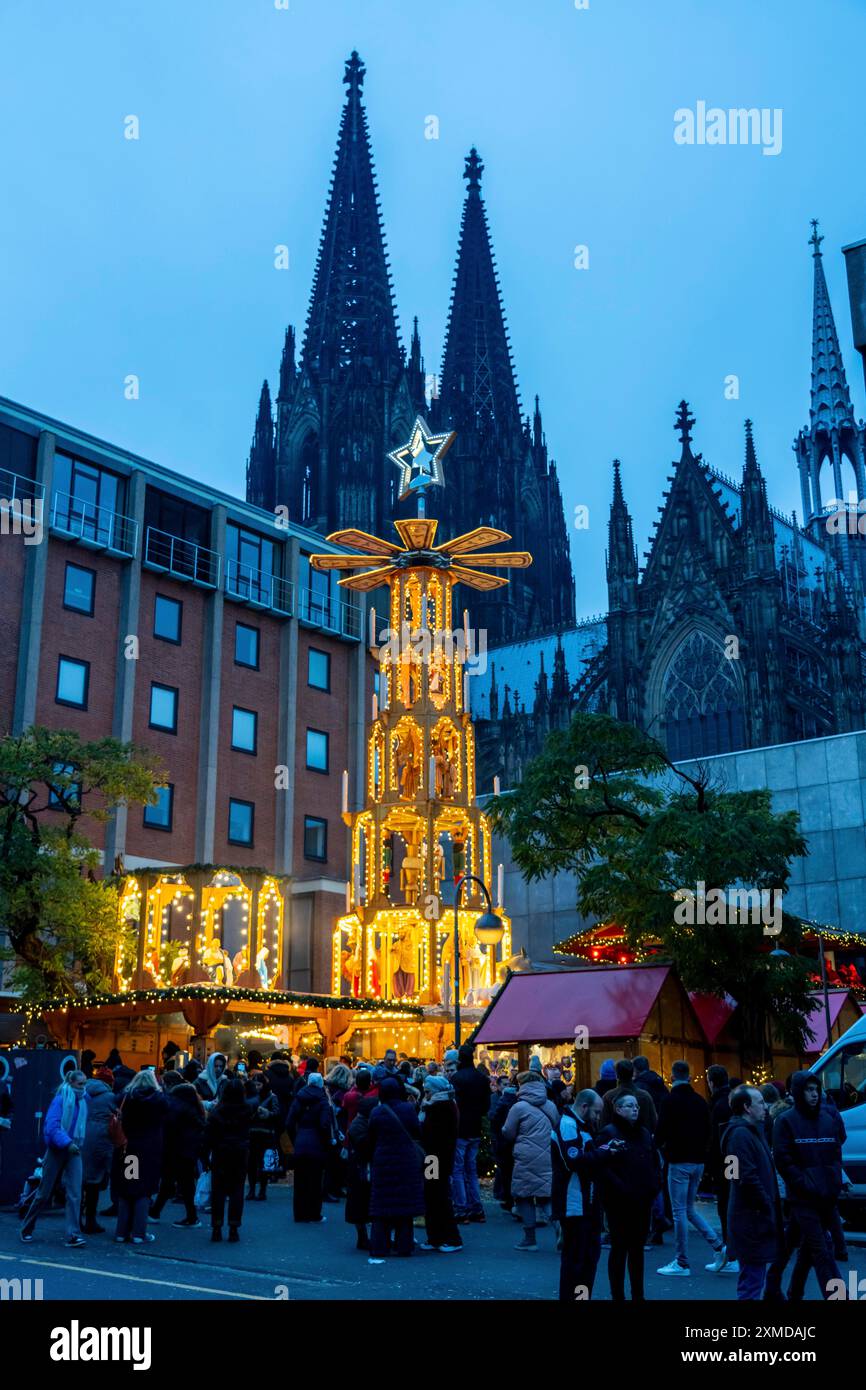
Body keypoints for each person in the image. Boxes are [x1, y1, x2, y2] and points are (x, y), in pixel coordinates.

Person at [772, 1071, 846, 1300]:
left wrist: (833, 1184)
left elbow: (835, 1154)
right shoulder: (786, 1121)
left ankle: (780, 1288)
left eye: (816, 1090)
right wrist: (804, 1184)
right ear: (797, 1092)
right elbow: (784, 1160)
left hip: (825, 1196)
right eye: (808, 1090)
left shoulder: (828, 1119)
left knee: (798, 1248)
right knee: (822, 1252)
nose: (814, 1095)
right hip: (803, 1198)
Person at [655, 1060, 725, 1277]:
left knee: (679, 1212)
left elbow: (662, 1131)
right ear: (689, 1075)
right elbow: (708, 1131)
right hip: (698, 1161)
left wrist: (658, 1148)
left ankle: (682, 1261)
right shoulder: (700, 1101)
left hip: (678, 1160)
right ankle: (719, 1246)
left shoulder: (669, 1101)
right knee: (689, 1208)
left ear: (673, 1076)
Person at [596, 1093, 660, 1301]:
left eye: (637, 1106)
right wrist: (620, 1187)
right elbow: (602, 1166)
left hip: (642, 1199)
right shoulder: (609, 1132)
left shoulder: (643, 1133)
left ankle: (637, 1294)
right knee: (619, 1248)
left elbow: (652, 1161)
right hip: (619, 1201)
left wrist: (653, 1186)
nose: (635, 1109)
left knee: (637, 1249)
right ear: (618, 1109)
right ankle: (618, 1294)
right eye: (630, 1106)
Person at [722, 1085, 781, 1300]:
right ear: (747, 1107)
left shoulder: (752, 1132)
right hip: (751, 1218)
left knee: (754, 1277)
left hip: (754, 1216)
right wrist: (765, 1204)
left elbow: (734, 1175)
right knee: (752, 1280)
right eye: (760, 1103)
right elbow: (742, 1178)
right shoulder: (739, 1136)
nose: (765, 1107)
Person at [20, 1069, 89, 1247]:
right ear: (71, 1083)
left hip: (72, 1149)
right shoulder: (60, 1100)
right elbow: (51, 1126)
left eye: (85, 1083)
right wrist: (68, 1143)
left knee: (74, 1194)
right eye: (80, 1084)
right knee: (43, 1193)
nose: (83, 1087)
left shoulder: (82, 1101)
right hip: (59, 1149)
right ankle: (26, 1227)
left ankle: (73, 1234)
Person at [551, 1087, 605, 1300]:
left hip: (588, 1204)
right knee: (576, 1261)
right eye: (596, 1112)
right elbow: (573, 1160)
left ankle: (581, 1299)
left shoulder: (582, 1125)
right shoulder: (567, 1124)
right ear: (584, 1107)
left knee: (589, 1259)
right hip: (574, 1205)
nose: (598, 1117)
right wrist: (603, 1153)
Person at [366, 1075, 425, 1263]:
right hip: (406, 1160)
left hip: (383, 1160)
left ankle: (379, 1246)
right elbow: (417, 1131)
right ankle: (404, 1246)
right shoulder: (408, 1109)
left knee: (381, 1207)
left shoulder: (377, 1112)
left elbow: (371, 1135)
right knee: (404, 1207)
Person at [502, 1069, 560, 1250]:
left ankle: (529, 1239)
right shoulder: (550, 1105)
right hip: (548, 1155)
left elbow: (508, 1132)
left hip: (526, 1157)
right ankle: (560, 1229)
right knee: (546, 1196)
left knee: (524, 1196)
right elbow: (557, 1127)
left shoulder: (518, 1107)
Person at [111, 1069, 168, 1245]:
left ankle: (121, 1232)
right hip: (150, 1151)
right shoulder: (160, 1101)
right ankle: (139, 1233)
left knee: (128, 1189)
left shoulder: (126, 1098)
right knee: (144, 1191)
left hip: (131, 1148)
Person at [205, 1075, 255, 1242]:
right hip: (240, 1152)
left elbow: (208, 1135)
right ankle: (234, 1227)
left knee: (218, 1191)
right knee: (237, 1190)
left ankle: (217, 1227)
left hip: (221, 1152)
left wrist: (205, 1155)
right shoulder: (247, 1110)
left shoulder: (217, 1111)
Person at [150, 1081, 205, 1227]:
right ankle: (189, 1216)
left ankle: (156, 1212)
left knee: (170, 1183)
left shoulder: (176, 1109)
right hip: (187, 1152)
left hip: (176, 1151)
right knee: (183, 1184)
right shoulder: (194, 1110)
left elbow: (168, 1129)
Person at [418, 1075, 462, 1252]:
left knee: (438, 1196)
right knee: (434, 1195)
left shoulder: (440, 1107)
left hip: (436, 1158)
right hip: (436, 1157)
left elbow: (430, 1133)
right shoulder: (445, 1105)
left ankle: (450, 1238)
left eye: (427, 1091)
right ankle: (436, 1237)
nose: (425, 1094)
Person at [450, 1043, 491, 1224]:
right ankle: (476, 1208)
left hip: (460, 1128)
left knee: (458, 1170)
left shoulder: (457, 1078)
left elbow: (454, 1105)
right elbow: (486, 1106)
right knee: (471, 1169)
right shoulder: (481, 1079)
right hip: (475, 1126)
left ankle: (462, 1207)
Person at [287, 1070, 332, 1223]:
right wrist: (325, 1142)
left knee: (300, 1181)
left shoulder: (299, 1098)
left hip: (300, 1141)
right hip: (316, 1143)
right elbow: (325, 1125)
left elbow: (289, 1122)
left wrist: (295, 1138)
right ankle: (314, 1213)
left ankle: (300, 1214)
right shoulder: (322, 1100)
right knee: (315, 1180)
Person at [705, 1063, 735, 1271]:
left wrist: (711, 1165)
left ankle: (731, 1253)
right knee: (732, 1202)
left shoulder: (718, 1105)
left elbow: (715, 1140)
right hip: (733, 1160)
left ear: (712, 1082)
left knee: (726, 1205)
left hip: (724, 1162)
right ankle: (732, 1251)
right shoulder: (732, 1101)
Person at [81, 1069, 118, 1234]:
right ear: (109, 1082)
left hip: (83, 1137)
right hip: (103, 1139)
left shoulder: (82, 1092)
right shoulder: (110, 1097)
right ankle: (93, 1220)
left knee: (87, 1180)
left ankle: (83, 1219)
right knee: (107, 1179)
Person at [344, 1071, 377, 1251]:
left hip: (354, 1159)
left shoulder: (350, 1098)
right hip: (362, 1166)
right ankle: (365, 1237)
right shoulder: (364, 1125)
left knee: (358, 1202)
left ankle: (363, 1236)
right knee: (363, 1200)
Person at [601, 1059, 657, 1134]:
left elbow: (603, 1124)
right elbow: (654, 1122)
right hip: (641, 1139)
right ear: (633, 1073)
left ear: (617, 1075)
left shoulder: (608, 1096)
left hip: (616, 1140)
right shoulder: (645, 1096)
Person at [247, 1071, 280, 1200]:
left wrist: (268, 1114)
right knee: (251, 1163)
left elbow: (277, 1114)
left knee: (264, 1163)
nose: (257, 1087)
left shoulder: (272, 1097)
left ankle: (262, 1190)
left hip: (266, 1134)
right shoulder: (249, 1097)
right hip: (252, 1133)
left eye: (259, 1084)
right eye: (254, 1084)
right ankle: (251, 1189)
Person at [490, 1073, 519, 1209]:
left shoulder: (511, 1100)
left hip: (504, 1140)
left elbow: (494, 1119)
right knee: (506, 1169)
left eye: (508, 1084)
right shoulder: (497, 1099)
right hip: (505, 1140)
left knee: (506, 1170)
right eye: (504, 1084)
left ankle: (508, 1197)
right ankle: (506, 1196)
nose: (507, 1087)